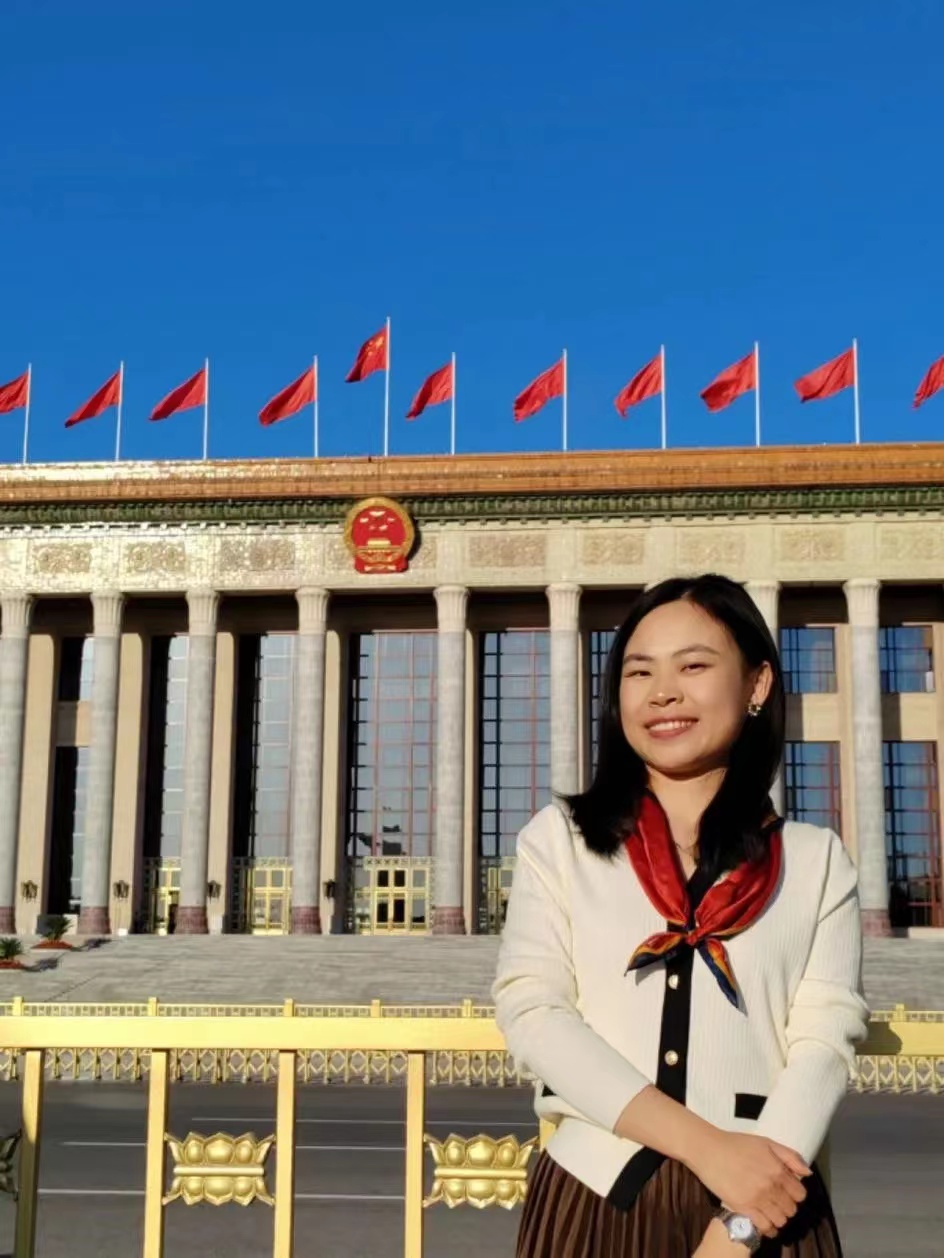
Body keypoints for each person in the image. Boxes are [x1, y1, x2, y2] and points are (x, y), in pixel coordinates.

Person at [493, 574, 869, 1258]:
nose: (662, 692)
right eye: (640, 672)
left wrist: (741, 1224)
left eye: (693, 666)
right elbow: (534, 1011)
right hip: (592, 1202)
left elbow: (823, 1044)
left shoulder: (815, 862)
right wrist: (707, 1148)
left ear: (757, 684)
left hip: (766, 1210)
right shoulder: (561, 842)